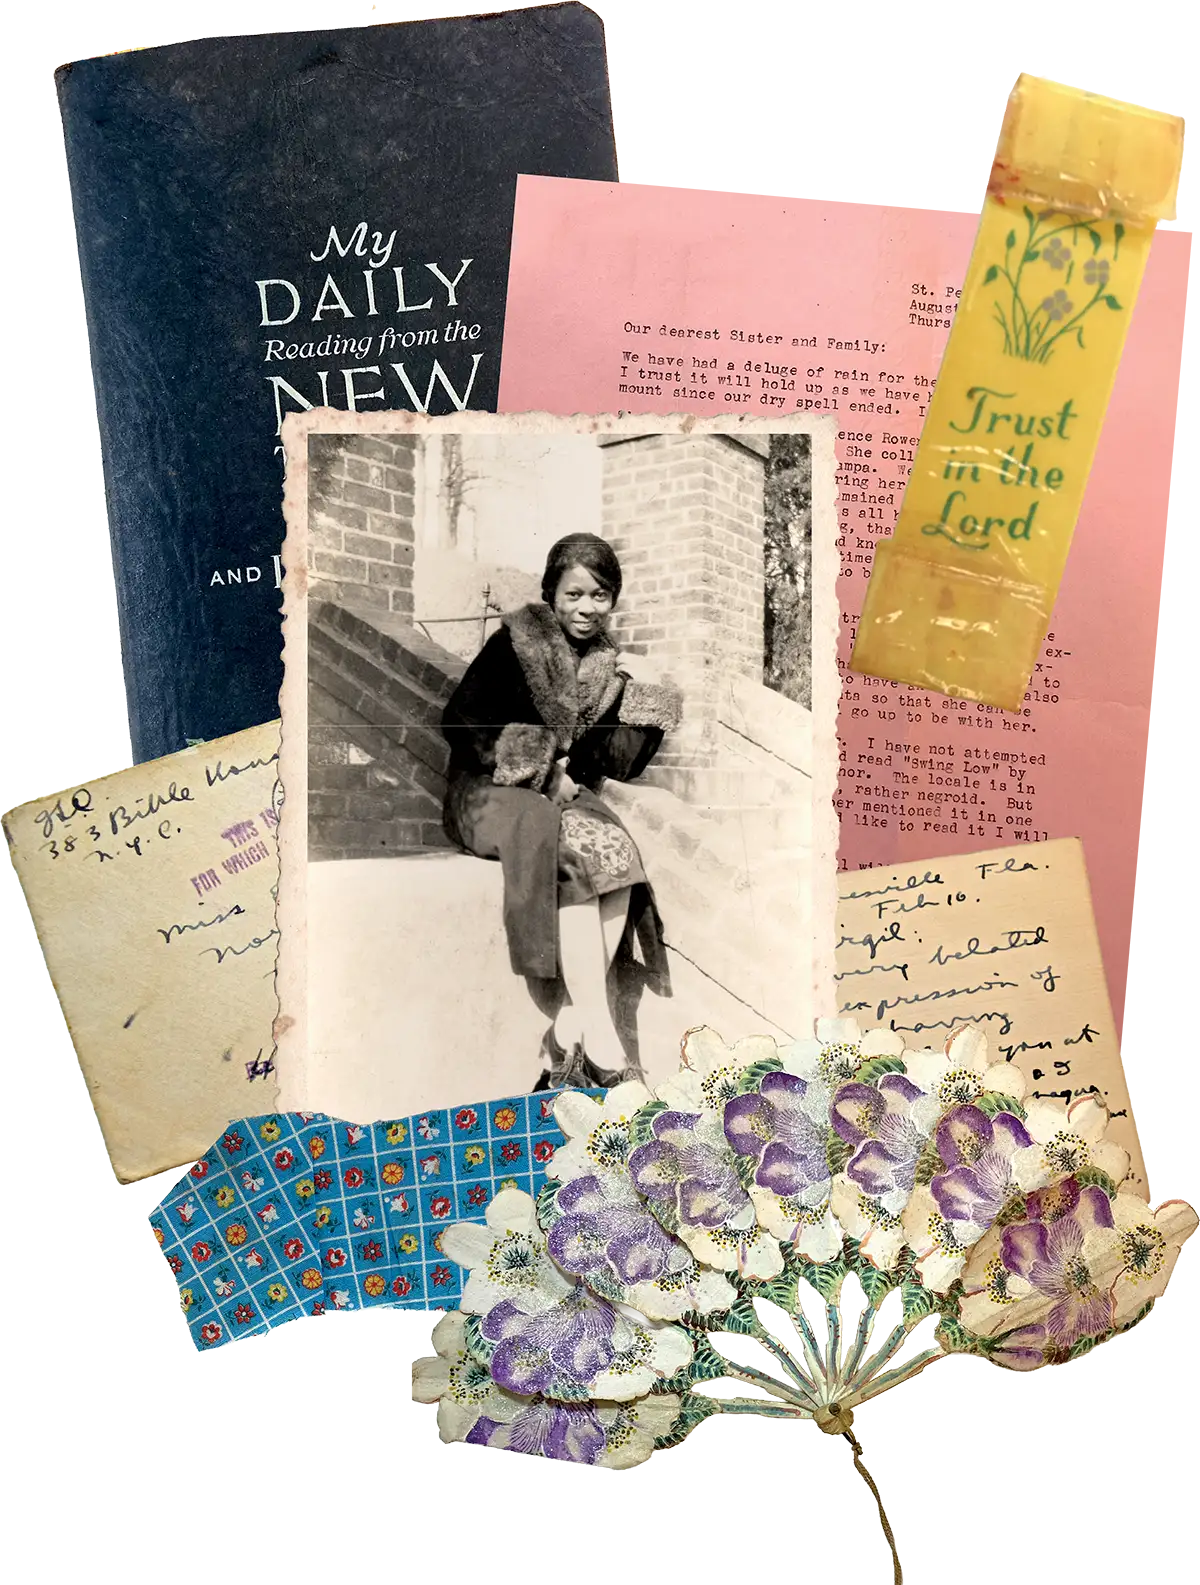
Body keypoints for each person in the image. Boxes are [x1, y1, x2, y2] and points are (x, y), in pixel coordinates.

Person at [439, 532, 682, 1091]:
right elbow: (461, 722)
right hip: (486, 793)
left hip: (559, 794)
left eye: (599, 596)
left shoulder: (601, 664)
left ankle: (568, 1026)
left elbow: (615, 761)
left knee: (616, 849)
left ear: (613, 600)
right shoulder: (514, 643)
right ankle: (602, 1043)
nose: (585, 609)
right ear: (551, 593)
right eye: (573, 595)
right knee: (566, 853)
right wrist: (543, 771)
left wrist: (646, 701)